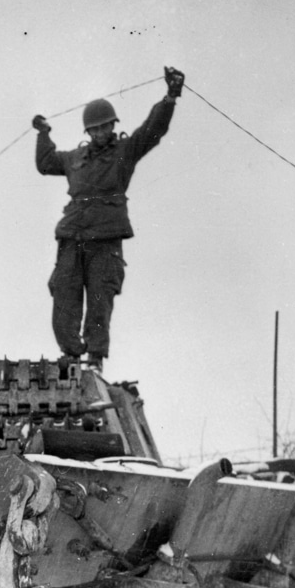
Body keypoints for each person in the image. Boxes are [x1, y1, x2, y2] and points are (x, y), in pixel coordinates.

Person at [32, 66, 185, 367]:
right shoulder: (74, 159)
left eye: (106, 127)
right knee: (64, 293)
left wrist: (171, 96)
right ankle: (70, 355)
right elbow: (46, 162)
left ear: (113, 127)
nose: (101, 132)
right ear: (87, 131)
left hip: (105, 238)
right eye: (96, 128)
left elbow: (152, 130)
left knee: (100, 299)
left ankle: (95, 358)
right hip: (72, 235)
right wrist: (43, 133)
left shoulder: (125, 152)